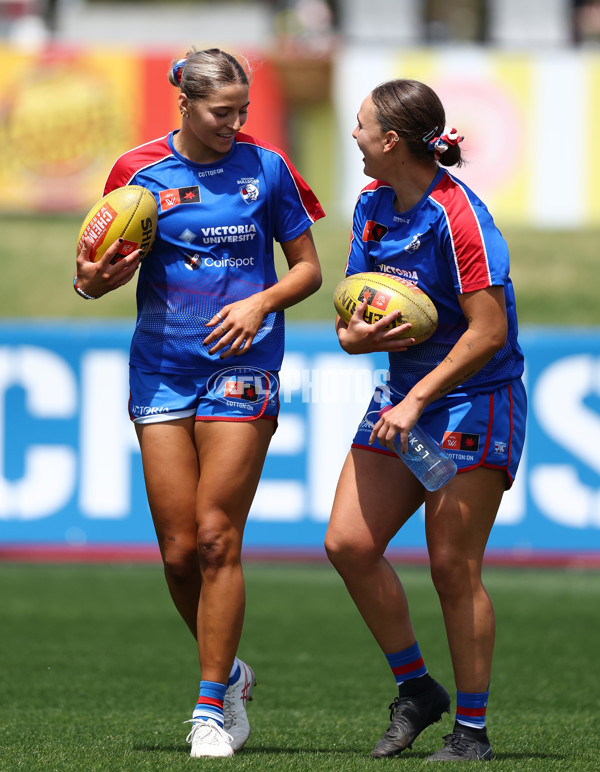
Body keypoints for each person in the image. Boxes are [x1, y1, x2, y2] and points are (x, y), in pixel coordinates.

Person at [73, 47, 324, 758]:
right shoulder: (138, 173)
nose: (234, 123)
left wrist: (261, 303)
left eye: (242, 110)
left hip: (244, 366)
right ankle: (233, 671)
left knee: (217, 537)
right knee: (180, 552)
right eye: (221, 112)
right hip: (162, 371)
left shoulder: (267, 168)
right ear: (184, 103)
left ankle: (212, 708)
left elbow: (308, 270)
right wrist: (97, 279)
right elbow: (90, 277)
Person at [325, 78, 526, 762]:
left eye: (361, 125)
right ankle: (417, 689)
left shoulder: (459, 216)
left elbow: (488, 332)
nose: (354, 135)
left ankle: (471, 732)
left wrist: (415, 401)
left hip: (475, 400)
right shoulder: (372, 204)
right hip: (405, 398)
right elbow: (351, 315)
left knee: (452, 567)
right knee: (348, 544)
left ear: (390, 140)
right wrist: (355, 338)